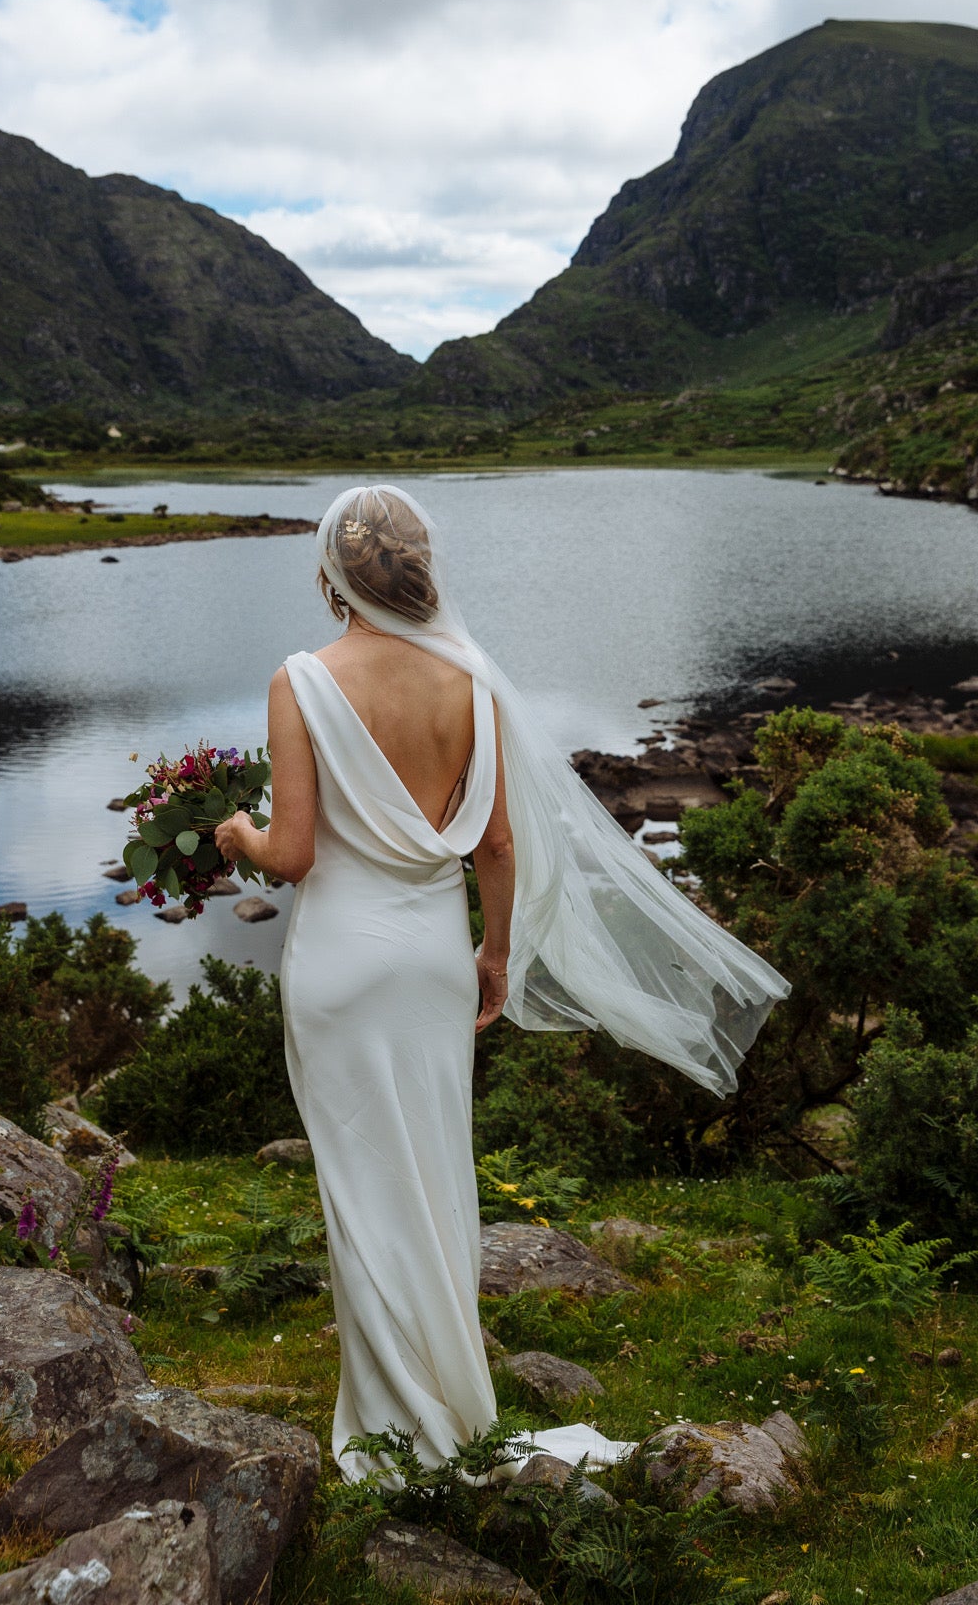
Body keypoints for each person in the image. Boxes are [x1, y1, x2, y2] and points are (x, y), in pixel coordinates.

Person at [216, 484, 788, 1480]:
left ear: (333, 573)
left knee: (360, 1183)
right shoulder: (468, 679)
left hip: (342, 966)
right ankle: (445, 1400)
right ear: (418, 567)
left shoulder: (300, 680)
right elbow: (496, 842)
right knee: (436, 1177)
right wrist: (494, 953)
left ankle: (389, 1420)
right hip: (433, 962)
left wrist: (238, 837)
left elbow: (296, 856)